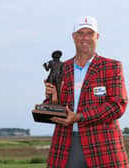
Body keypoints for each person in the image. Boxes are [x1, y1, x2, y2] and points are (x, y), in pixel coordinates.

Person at [45, 16, 129, 168]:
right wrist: (54, 102)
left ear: (97, 37)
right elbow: (49, 107)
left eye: (90, 33)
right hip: (66, 144)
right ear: (73, 37)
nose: (85, 38)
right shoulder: (62, 68)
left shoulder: (111, 66)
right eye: (81, 33)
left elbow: (117, 105)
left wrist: (80, 117)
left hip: (104, 146)